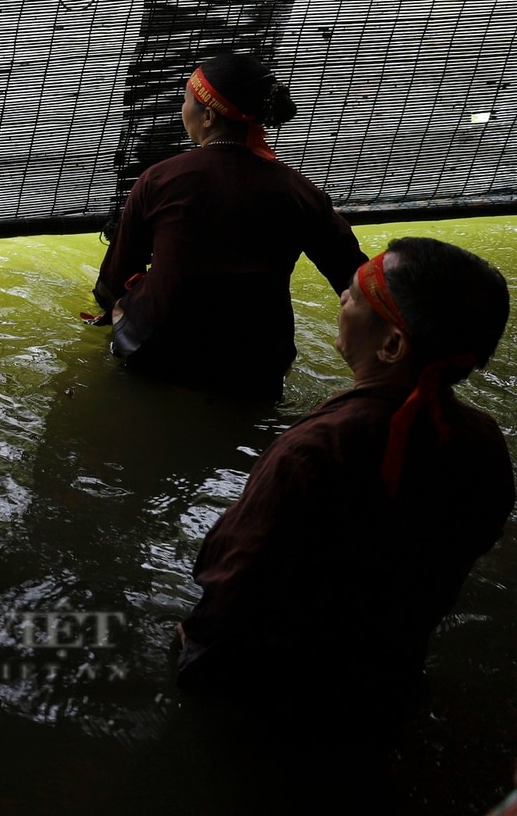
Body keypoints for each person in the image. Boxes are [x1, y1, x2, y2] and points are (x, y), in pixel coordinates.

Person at [177, 237, 514, 698]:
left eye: (355, 295)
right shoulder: (484, 443)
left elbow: (235, 582)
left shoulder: (315, 450)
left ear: (392, 345)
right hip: (387, 681)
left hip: (278, 690)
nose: (342, 298)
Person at [93, 52, 366, 396]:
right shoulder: (301, 193)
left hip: (158, 352)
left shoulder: (160, 179)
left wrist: (110, 310)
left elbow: (115, 279)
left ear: (207, 115)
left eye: (185, 101)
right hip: (256, 365)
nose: (181, 109)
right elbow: (357, 280)